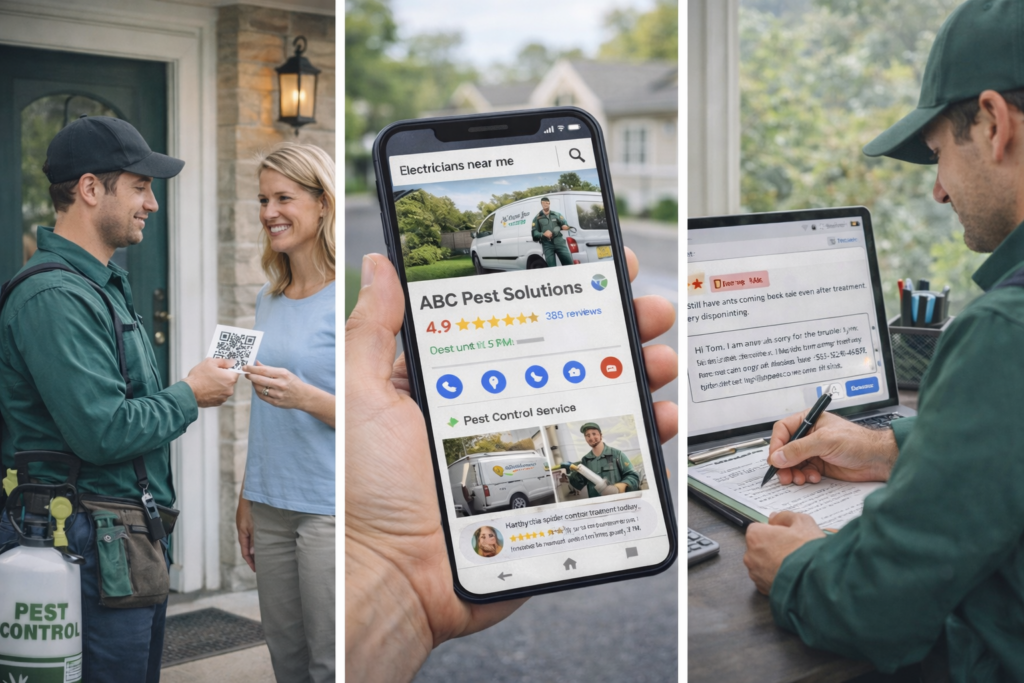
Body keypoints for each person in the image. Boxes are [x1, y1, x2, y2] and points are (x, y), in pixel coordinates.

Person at [742, 0, 1024, 678]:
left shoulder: (1005, 334)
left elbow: (874, 604)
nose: (936, 190)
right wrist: (887, 447)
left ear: (993, 123)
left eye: (937, 155)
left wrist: (799, 564)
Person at [345, 248, 678, 683]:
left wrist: (622, 489)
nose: (592, 438)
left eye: (595, 434)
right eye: (589, 434)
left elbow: (634, 478)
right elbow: (567, 478)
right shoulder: (577, 460)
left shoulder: (614, 455)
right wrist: (392, 571)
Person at [0, 115, 239, 681]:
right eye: (139, 186)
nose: (152, 203)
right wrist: (190, 394)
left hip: (120, 542)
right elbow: (103, 430)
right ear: (89, 189)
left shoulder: (100, 285)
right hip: (81, 543)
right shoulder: (55, 296)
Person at [234, 142, 336, 683]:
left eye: (284, 197)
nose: (269, 212)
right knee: (286, 657)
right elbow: (262, 408)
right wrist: (247, 495)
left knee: (329, 661)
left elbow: (374, 415)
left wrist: (307, 397)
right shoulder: (267, 298)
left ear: (323, 203)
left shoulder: (350, 299)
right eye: (262, 199)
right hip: (269, 503)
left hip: (327, 506)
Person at [566, 422, 640, 497]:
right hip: (598, 505)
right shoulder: (585, 460)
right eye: (587, 435)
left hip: (618, 502)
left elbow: (633, 476)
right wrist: (571, 475)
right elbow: (579, 484)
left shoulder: (617, 454)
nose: (591, 438)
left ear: (601, 435)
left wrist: (619, 487)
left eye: (594, 434)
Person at [531, 196, 573, 267]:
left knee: (569, 265)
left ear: (549, 203)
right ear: (541, 204)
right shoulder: (537, 218)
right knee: (551, 268)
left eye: (546, 203)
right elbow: (534, 233)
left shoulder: (556, 215)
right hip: (547, 245)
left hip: (559, 242)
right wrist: (543, 234)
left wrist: (566, 227)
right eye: (543, 203)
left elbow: (565, 224)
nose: (545, 205)